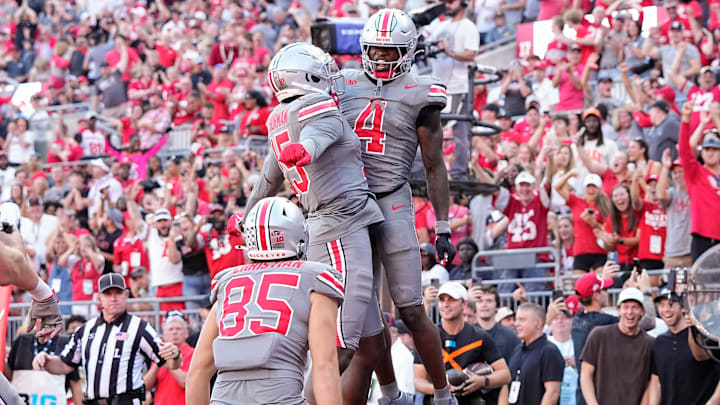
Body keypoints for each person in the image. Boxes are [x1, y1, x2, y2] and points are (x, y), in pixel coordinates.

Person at [242, 43, 384, 404]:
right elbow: (318, 137)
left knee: (372, 335)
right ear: (308, 76)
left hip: (326, 226)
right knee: (339, 345)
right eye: (325, 71)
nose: (332, 77)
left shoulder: (278, 117)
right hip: (342, 228)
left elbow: (265, 182)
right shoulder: (317, 107)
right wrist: (306, 150)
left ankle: (391, 394)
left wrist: (245, 219)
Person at [339, 9, 457, 404]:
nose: (382, 58)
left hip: (392, 200)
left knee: (409, 306)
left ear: (408, 52)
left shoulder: (421, 93)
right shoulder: (344, 83)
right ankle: (390, 394)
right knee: (366, 314)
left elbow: (434, 165)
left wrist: (443, 226)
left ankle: (442, 395)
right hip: (351, 206)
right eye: (375, 50)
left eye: (391, 52)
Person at [185, 197, 343, 405]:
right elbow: (325, 365)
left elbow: (197, 372)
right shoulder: (315, 278)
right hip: (280, 398)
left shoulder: (228, 282)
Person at [32, 273, 182, 405]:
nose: (114, 298)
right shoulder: (84, 330)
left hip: (125, 401)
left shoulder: (140, 328)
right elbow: (65, 365)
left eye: (118, 292)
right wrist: (47, 360)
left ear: (126, 295)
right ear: (99, 298)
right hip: (94, 401)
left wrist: (175, 354)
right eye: (108, 293)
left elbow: (169, 363)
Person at [414, 282, 511, 405]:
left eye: (452, 300)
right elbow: (417, 380)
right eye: (442, 300)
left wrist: (482, 381)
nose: (446, 304)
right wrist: (441, 389)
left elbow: (505, 374)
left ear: (464, 304)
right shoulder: (426, 338)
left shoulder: (480, 336)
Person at [428, 1, 480, 180]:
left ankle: (459, 172)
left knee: (459, 129)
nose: (447, 5)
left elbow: (471, 54)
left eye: (451, 1)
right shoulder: (441, 25)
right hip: (437, 85)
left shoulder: (469, 27)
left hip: (457, 86)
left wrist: (449, 52)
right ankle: (428, 169)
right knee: (430, 129)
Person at [579, 288, 655, 405]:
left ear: (642, 311)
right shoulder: (599, 335)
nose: (630, 312)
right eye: (626, 307)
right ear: (618, 310)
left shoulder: (649, 343)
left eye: (635, 307)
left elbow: (650, 383)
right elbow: (585, 374)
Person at [648, 290, 720, 405]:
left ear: (683, 308)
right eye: (661, 305)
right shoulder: (660, 342)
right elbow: (656, 381)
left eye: (671, 304)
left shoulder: (705, 338)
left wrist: (713, 402)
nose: (666, 309)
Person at [678, 101, 720, 260]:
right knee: (702, 283)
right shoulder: (696, 173)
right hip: (702, 238)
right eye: (707, 149)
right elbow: (684, 150)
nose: (710, 153)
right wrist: (686, 120)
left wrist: (716, 118)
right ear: (702, 154)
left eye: (715, 149)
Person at [507, 303, 564, 405]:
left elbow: (552, 392)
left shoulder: (550, 351)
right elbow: (506, 387)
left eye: (522, 320)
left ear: (538, 323)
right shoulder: (516, 351)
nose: (516, 324)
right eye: (516, 320)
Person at [144, 311, 195, 405]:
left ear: (186, 333)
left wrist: (167, 359)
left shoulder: (193, 353)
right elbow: (146, 386)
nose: (174, 332)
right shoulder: (160, 353)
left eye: (178, 329)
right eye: (170, 329)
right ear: (164, 334)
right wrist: (158, 362)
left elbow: (186, 382)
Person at [469, 285, 521, 361]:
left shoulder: (510, 336)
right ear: (475, 306)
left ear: (497, 307)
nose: (484, 305)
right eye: (480, 301)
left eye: (489, 301)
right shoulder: (468, 334)